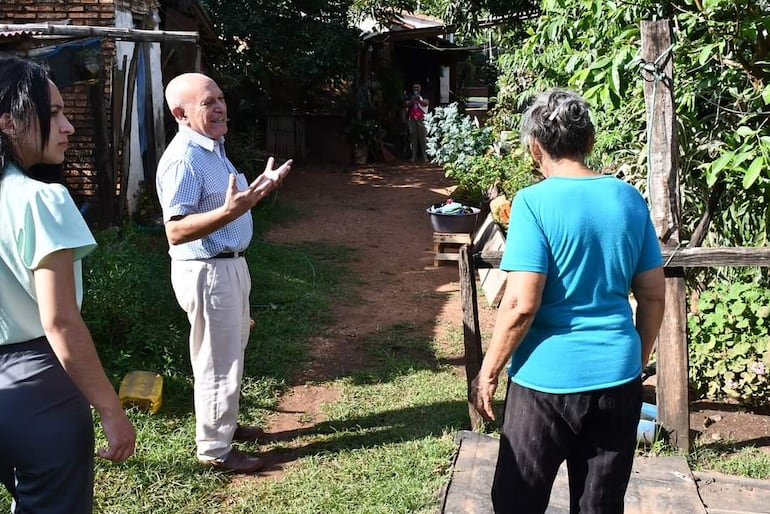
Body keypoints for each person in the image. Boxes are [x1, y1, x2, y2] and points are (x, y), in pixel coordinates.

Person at [470, 88, 665, 513]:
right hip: (617, 379)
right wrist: (634, 359)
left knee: (517, 501)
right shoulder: (629, 199)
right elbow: (652, 295)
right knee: (600, 505)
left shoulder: (533, 204)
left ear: (533, 147)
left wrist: (487, 373)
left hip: (545, 383)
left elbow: (522, 304)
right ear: (590, 142)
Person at [0, 55, 136, 513]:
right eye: (53, 112)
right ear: (9, 122)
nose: (69, 127)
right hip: (37, 386)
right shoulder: (39, 199)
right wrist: (111, 410)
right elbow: (59, 321)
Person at [156, 72, 292, 473]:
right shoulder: (183, 158)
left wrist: (257, 192)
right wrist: (230, 211)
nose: (219, 107)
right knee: (216, 361)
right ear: (180, 114)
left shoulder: (212, 148)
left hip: (229, 266)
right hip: (208, 272)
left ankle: (224, 427)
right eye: (207, 103)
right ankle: (215, 449)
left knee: (230, 352)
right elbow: (176, 230)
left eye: (219, 98)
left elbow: (228, 205)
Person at [404, 82, 429, 162]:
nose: (416, 89)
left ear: (420, 88)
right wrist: (412, 100)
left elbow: (426, 103)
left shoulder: (423, 95)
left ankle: (424, 156)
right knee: (413, 138)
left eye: (417, 87)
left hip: (421, 118)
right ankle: (413, 156)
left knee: (422, 138)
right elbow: (406, 104)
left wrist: (419, 99)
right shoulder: (410, 95)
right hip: (412, 119)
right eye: (415, 87)